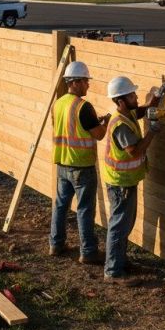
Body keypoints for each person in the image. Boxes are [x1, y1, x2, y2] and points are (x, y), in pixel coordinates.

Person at [101, 76, 165, 286]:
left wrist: (157, 96)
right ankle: (113, 271)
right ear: (120, 101)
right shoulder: (120, 125)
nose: (136, 97)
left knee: (125, 224)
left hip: (125, 181)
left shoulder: (127, 114)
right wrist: (152, 132)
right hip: (120, 183)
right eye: (132, 96)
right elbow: (134, 151)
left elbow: (144, 110)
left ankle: (120, 262)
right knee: (119, 226)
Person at [49, 60, 110, 264]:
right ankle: (88, 252)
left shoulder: (58, 104)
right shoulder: (84, 106)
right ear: (74, 82)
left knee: (60, 205)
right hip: (82, 166)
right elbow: (99, 135)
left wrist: (94, 120)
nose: (88, 85)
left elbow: (69, 127)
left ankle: (55, 244)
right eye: (85, 81)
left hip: (62, 164)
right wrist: (105, 123)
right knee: (84, 210)